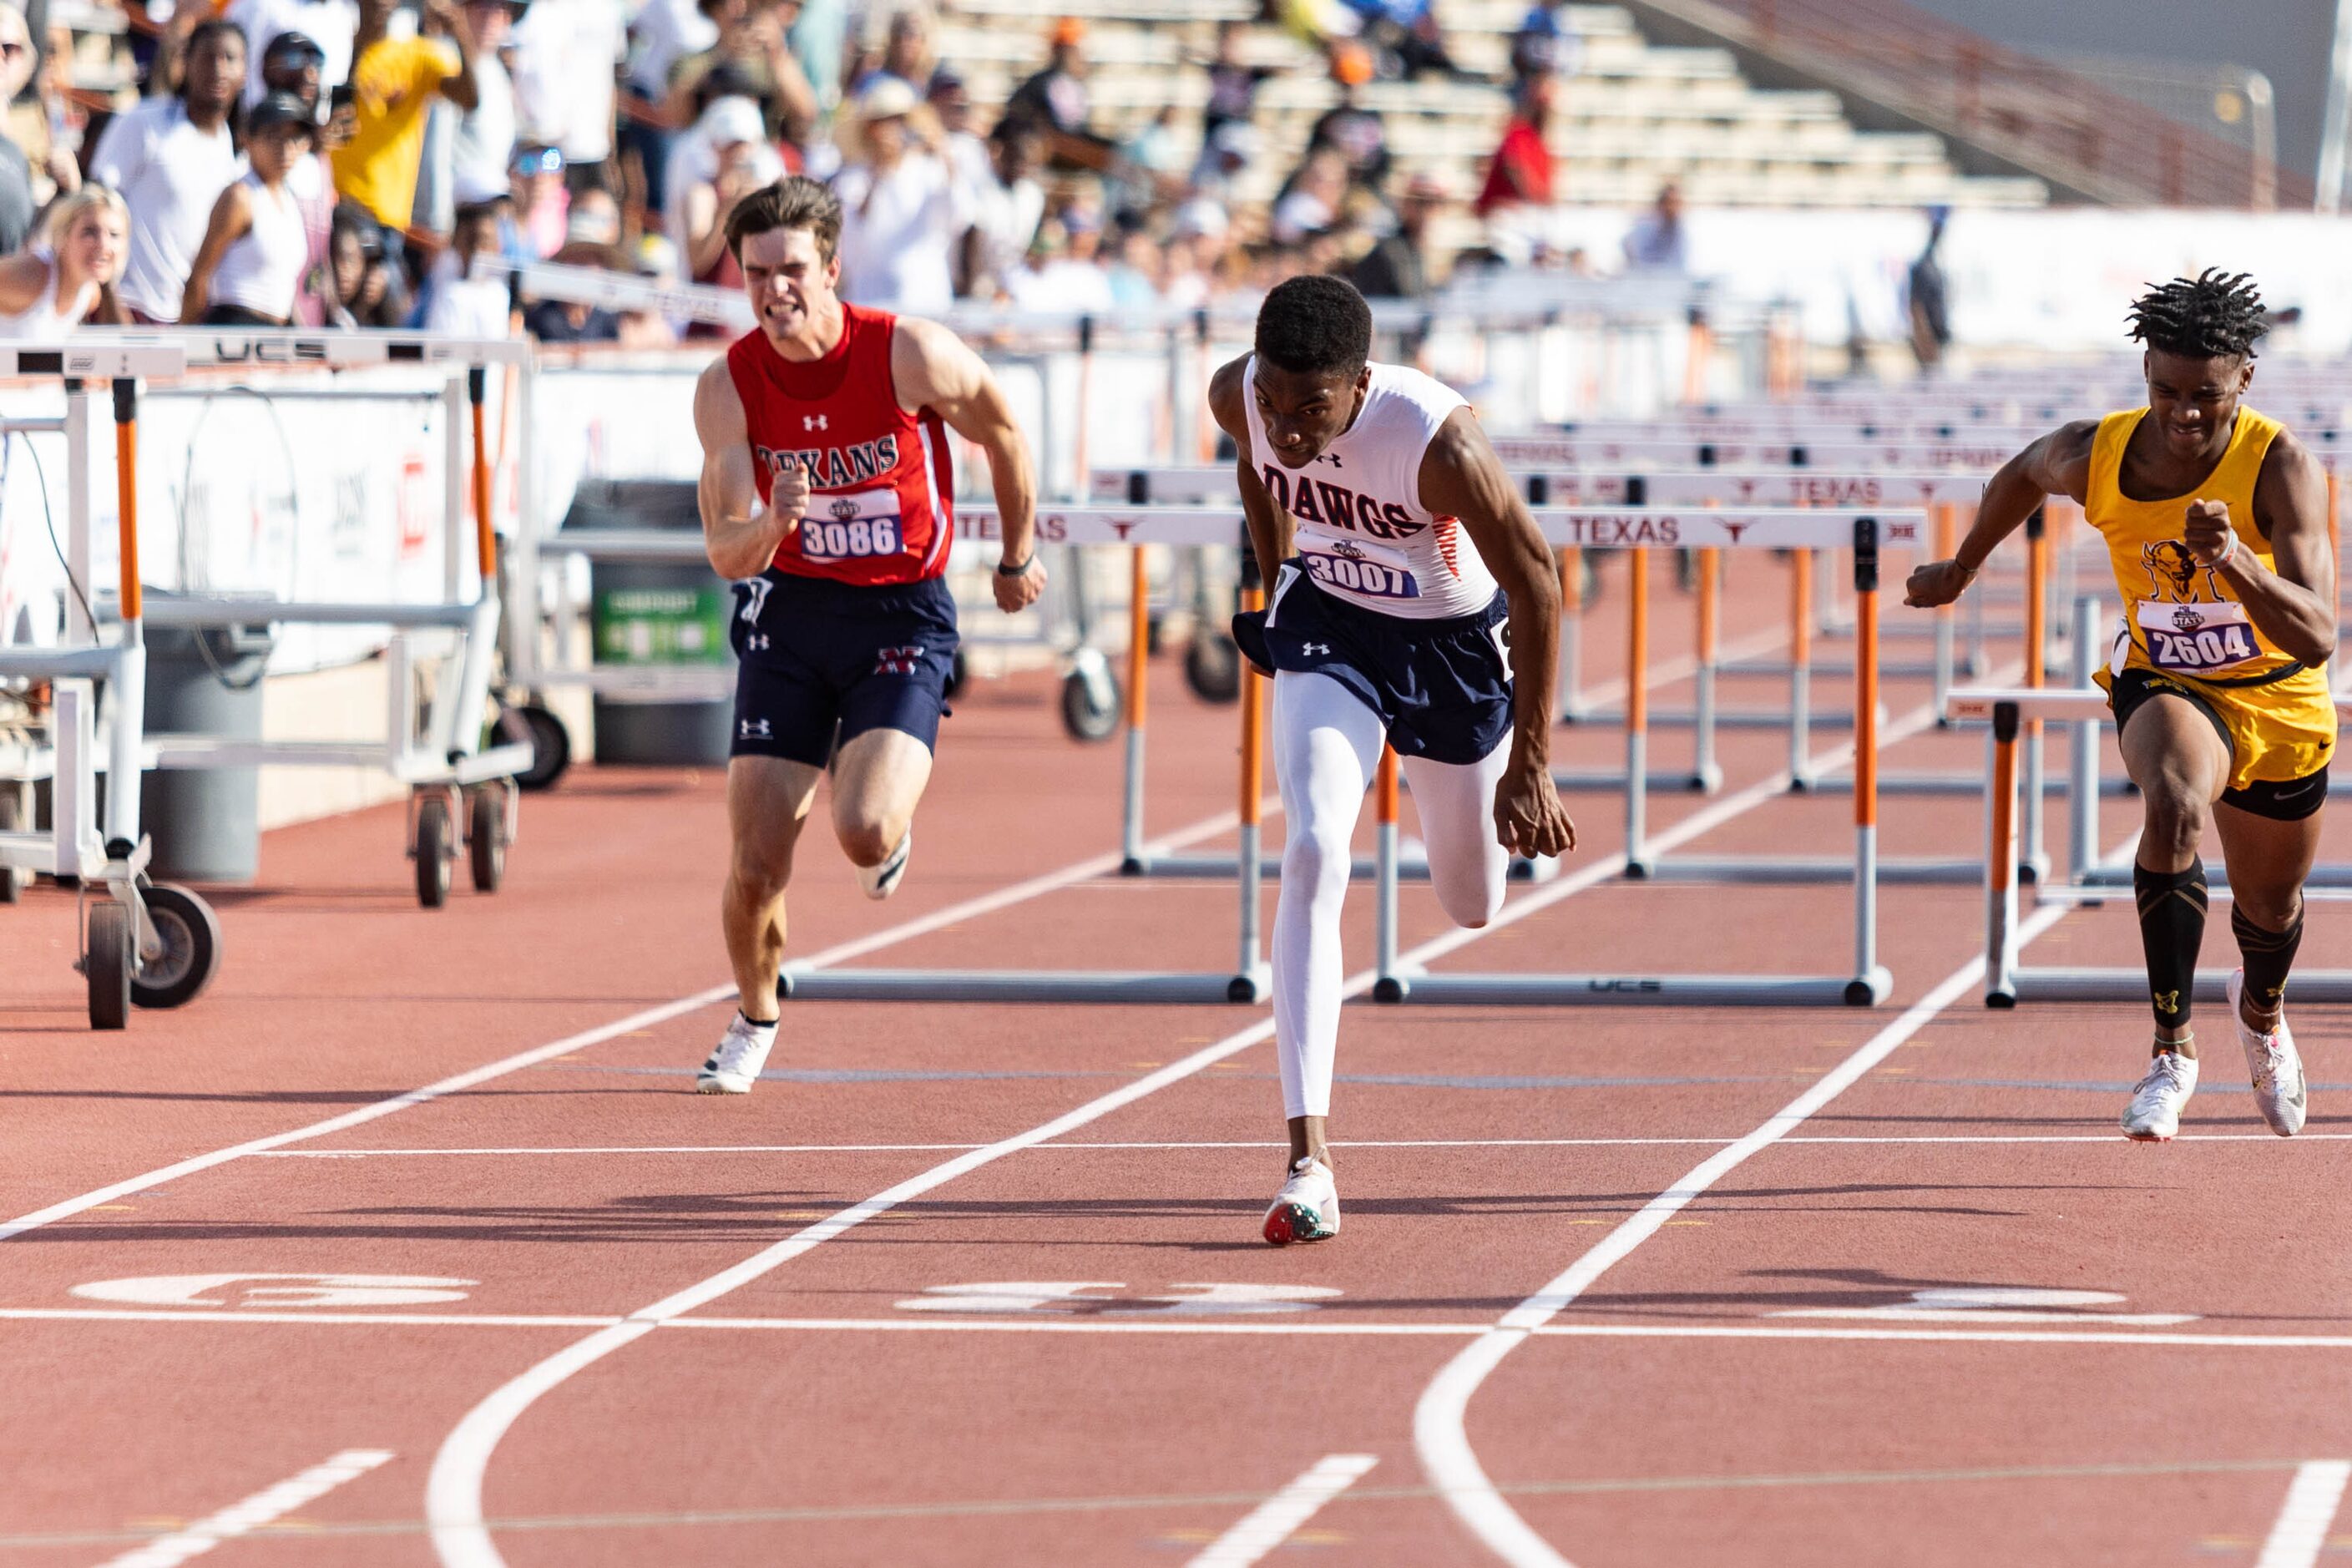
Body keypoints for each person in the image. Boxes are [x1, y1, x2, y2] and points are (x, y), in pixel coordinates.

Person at [1904, 271, 2334, 1143]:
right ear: (2145, 369)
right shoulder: (2094, 452)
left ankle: (2260, 1015)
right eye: (2167, 391)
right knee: (2173, 805)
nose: (2184, 414)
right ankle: (2172, 1054)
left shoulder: (2281, 465)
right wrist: (1960, 569)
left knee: (2272, 913)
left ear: (2244, 378)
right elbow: (2019, 475)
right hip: (2168, 681)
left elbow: (2319, 633)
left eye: (2205, 397)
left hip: (2278, 702)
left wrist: (2239, 566)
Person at [1210, 276, 1574, 1242]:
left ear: (1360, 384)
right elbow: (1255, 466)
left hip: (1450, 648)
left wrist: (1533, 763)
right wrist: (1277, 574)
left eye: (1311, 410)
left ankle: (1491, 796)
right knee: (1317, 848)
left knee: (1472, 903)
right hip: (1331, 628)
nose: (1287, 430)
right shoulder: (1235, 395)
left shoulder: (1436, 441)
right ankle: (1308, 1161)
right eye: (1273, 403)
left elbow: (1539, 582)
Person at [690, 176, 1045, 1094]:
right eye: (757, 272)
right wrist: (772, 523)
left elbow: (1003, 432)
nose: (776, 291)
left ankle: (884, 837)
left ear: (832, 267)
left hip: (901, 612)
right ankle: (756, 1016)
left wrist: (1014, 556)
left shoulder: (907, 353)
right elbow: (726, 551)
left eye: (793, 270)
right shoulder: (729, 386)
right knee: (757, 852)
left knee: (861, 825)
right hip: (792, 613)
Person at [88, 16, 243, 326]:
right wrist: (109, 297)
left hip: (188, 319)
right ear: (186, 61)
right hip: (129, 307)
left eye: (229, 58)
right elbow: (96, 204)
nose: (218, 69)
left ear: (246, 70)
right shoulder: (144, 122)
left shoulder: (234, 149)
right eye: (208, 57)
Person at [332, 0, 482, 240]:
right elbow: (338, 117)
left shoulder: (416, 54)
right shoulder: (335, 39)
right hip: (338, 204)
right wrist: (360, 46)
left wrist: (459, 32)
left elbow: (470, 99)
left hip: (387, 217)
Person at [829, 73, 967, 314]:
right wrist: (877, 177)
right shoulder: (851, 179)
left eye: (899, 121)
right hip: (870, 304)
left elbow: (958, 217)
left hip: (926, 301)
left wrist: (944, 156)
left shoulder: (929, 171)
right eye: (883, 122)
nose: (892, 131)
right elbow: (850, 245)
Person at [180, 92, 315, 325]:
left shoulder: (290, 201)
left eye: (294, 138)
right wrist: (187, 343)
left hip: (274, 336)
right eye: (274, 136)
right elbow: (200, 276)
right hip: (234, 330)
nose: (286, 148)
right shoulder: (240, 197)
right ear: (247, 139)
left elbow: (282, 285)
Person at [0, 186, 129, 336]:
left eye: (114, 235)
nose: (103, 245)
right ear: (63, 235)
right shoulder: (32, 277)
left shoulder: (90, 295)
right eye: (89, 232)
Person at [1474, 75, 1553, 218]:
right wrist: (1537, 203)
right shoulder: (1518, 132)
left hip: (1525, 211)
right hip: (1505, 211)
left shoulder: (1538, 141)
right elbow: (1514, 169)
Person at [1908, 208, 1950, 372]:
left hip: (1937, 336)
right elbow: (1917, 306)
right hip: (1929, 337)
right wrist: (1924, 338)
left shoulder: (1934, 263)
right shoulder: (1923, 267)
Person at [1621, 181, 1687, 273]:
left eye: (1677, 203)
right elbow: (1626, 243)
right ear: (1661, 204)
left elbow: (1679, 263)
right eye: (1670, 203)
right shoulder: (1646, 226)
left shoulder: (1681, 230)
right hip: (1645, 277)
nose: (1673, 208)